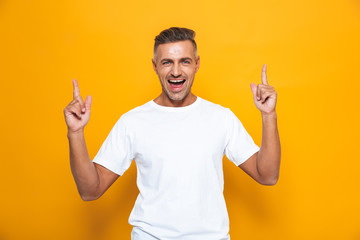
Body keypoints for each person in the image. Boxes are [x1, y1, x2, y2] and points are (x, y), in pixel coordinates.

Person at [63, 27, 281, 240]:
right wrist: (75, 133)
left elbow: (267, 175)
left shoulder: (221, 118)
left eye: (184, 61)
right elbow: (90, 191)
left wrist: (268, 115)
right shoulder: (132, 122)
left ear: (196, 64)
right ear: (155, 66)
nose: (176, 71)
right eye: (167, 62)